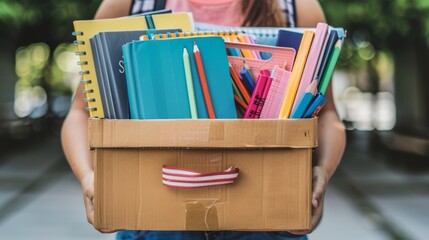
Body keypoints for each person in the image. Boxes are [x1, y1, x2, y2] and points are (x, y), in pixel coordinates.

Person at [61, 0, 346, 239]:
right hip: (152, 222)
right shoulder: (133, 3)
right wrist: (89, 178)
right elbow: (80, 112)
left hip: (267, 221)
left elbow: (327, 113)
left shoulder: (297, 6)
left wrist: (322, 170)